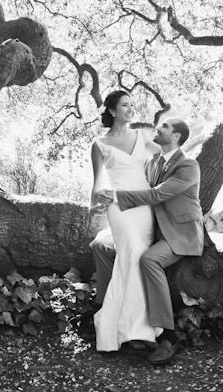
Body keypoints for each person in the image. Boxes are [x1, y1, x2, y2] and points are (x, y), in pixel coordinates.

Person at [95, 117, 203, 365]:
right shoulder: (153, 163)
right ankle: (107, 311)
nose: (158, 129)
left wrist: (115, 197)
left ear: (176, 136)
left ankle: (168, 335)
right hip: (155, 230)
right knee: (101, 246)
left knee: (148, 260)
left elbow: (158, 194)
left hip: (180, 234)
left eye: (164, 127)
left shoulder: (188, 165)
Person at [87, 90, 160, 353]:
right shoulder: (99, 143)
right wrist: (95, 204)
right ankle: (136, 332)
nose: (131, 109)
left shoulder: (144, 136)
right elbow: (96, 185)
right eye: (125, 105)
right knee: (133, 254)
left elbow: (169, 156)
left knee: (135, 261)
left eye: (132, 104)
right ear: (113, 111)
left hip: (143, 206)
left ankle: (119, 325)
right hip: (118, 206)